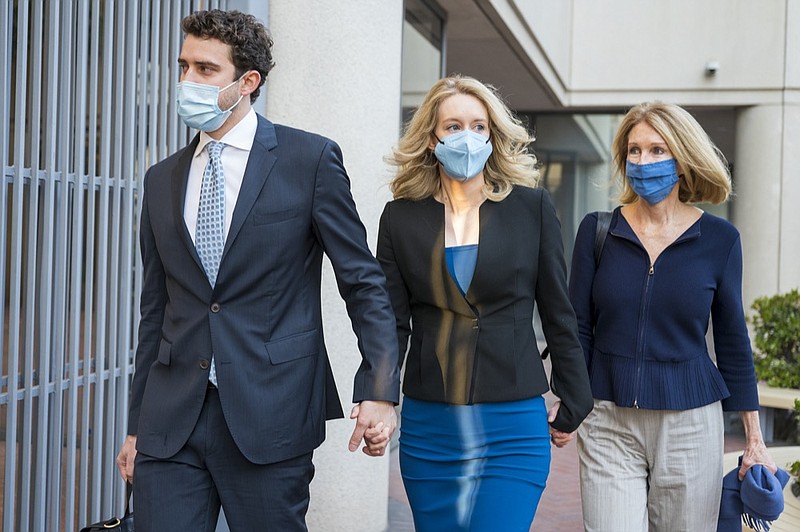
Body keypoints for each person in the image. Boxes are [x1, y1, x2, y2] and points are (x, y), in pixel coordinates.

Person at [115, 9, 399, 532]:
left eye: (205, 69)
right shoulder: (160, 179)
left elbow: (362, 281)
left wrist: (379, 386)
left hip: (272, 414)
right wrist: (136, 428)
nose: (187, 81)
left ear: (248, 82)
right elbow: (155, 311)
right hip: (171, 421)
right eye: (183, 67)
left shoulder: (308, 160)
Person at [377, 74, 593, 531]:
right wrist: (378, 394)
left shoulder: (531, 208)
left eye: (479, 126)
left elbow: (558, 312)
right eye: (453, 127)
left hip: (512, 425)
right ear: (431, 139)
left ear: (493, 136)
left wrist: (574, 398)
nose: (468, 138)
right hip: (429, 426)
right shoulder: (400, 218)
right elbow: (391, 322)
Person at [568, 101, 777, 531]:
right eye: (635, 151)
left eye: (658, 150)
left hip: (690, 425)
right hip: (609, 419)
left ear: (682, 160)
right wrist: (572, 402)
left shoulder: (719, 239)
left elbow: (733, 340)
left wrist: (754, 439)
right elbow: (578, 328)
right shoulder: (598, 230)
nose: (644, 162)